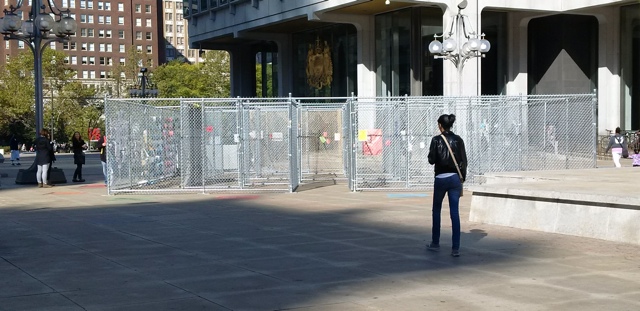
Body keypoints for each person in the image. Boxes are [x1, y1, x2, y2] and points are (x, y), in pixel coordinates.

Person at [426, 114, 467, 257]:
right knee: (454, 213)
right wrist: (462, 178)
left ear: (440, 125)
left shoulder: (436, 140)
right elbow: (464, 160)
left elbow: (431, 160)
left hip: (441, 179)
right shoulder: (458, 140)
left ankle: (435, 243)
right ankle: (455, 248)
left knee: (436, 210)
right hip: (455, 179)